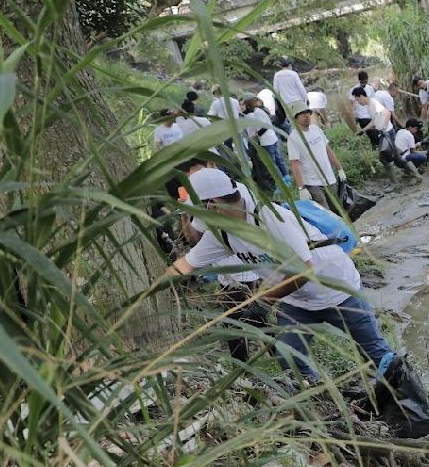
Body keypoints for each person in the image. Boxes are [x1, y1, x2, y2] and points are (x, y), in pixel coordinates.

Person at [166, 167, 411, 395]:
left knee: (377, 354)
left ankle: (411, 406)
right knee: (290, 358)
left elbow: (304, 272)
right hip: (297, 302)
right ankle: (322, 399)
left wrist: (263, 301)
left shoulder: (272, 219)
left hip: (338, 290)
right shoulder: (222, 233)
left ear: (214, 205)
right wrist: (146, 293)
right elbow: (185, 265)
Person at [175, 159, 265, 363]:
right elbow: (194, 240)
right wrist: (185, 215)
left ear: (210, 165)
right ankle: (255, 367)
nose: (193, 180)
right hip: (230, 272)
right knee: (243, 321)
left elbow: (197, 240)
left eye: (195, 173)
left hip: (245, 268)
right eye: (189, 177)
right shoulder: (206, 199)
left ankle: (251, 370)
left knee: (242, 321)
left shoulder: (229, 196)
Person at [287, 107, 347, 215]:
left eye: (308, 113)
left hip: (328, 178)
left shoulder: (316, 130)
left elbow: (328, 150)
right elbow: (294, 163)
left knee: (338, 208)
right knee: (326, 213)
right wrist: (301, 187)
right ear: (295, 118)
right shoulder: (294, 138)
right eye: (302, 114)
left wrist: (339, 168)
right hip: (312, 182)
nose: (306, 116)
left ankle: (346, 230)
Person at [241, 95, 290, 185]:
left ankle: (280, 183)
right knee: (279, 160)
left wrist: (256, 135)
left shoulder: (256, 113)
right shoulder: (260, 111)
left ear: (248, 104)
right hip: (273, 138)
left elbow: (263, 127)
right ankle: (286, 177)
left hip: (267, 141)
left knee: (271, 164)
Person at [272, 57, 309, 121]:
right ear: (290, 65)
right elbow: (300, 87)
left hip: (286, 103)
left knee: (292, 122)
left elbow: (276, 91)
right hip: (298, 100)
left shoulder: (277, 75)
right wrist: (306, 98)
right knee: (304, 119)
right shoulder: (293, 74)